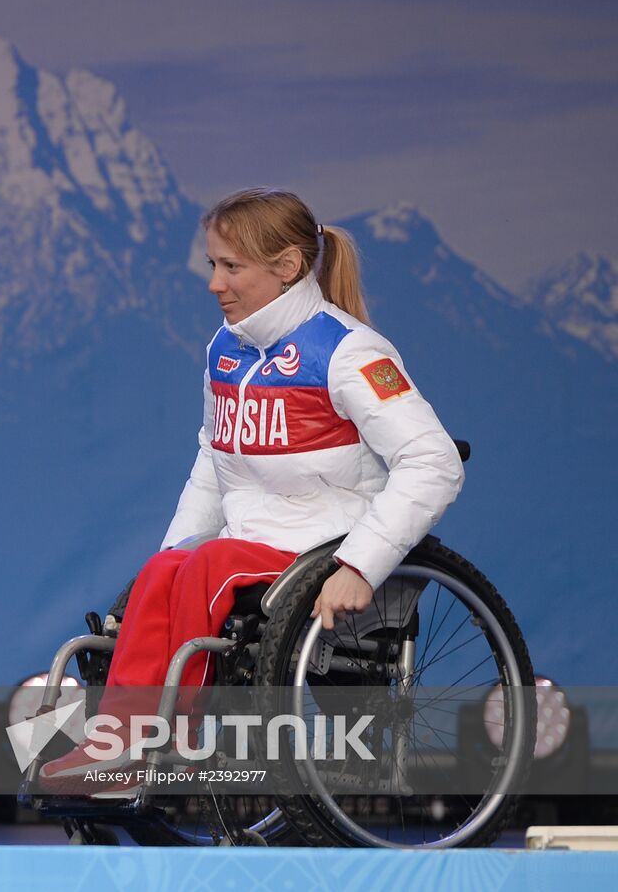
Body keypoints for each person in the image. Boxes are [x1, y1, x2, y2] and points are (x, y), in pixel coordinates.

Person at [39, 187, 464, 792]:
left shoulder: (349, 351)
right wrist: (171, 554)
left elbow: (434, 462)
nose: (215, 283)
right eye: (213, 264)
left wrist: (361, 564)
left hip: (326, 545)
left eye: (231, 267)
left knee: (208, 564)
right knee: (165, 571)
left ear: (288, 267)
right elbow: (214, 464)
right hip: (253, 547)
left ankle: (170, 739)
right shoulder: (225, 351)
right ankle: (114, 740)